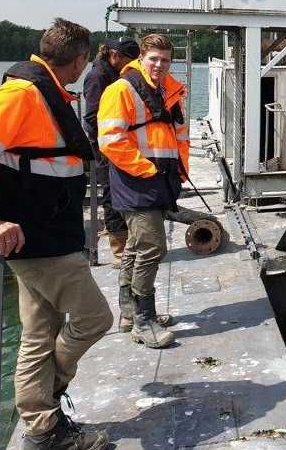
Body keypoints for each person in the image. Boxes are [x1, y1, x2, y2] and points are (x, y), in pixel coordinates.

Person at [0, 19, 113, 450]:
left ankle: (42, 428)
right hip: (41, 242)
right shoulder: (23, 94)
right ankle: (48, 398)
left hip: (43, 235)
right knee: (96, 318)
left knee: (38, 333)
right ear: (79, 60)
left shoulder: (46, 92)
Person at [98, 33, 189, 349]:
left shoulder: (169, 91)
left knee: (137, 247)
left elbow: (179, 135)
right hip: (135, 179)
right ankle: (143, 321)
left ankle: (129, 314)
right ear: (141, 58)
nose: (159, 65)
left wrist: (180, 171)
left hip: (159, 179)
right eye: (154, 59)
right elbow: (110, 141)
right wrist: (145, 170)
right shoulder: (121, 90)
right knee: (152, 247)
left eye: (165, 60)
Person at [82, 37, 139, 273]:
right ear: (114, 55)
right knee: (111, 196)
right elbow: (92, 118)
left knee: (121, 192)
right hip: (108, 149)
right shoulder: (98, 77)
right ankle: (119, 251)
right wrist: (106, 147)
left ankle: (127, 244)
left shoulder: (110, 73)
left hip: (119, 145)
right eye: (128, 60)